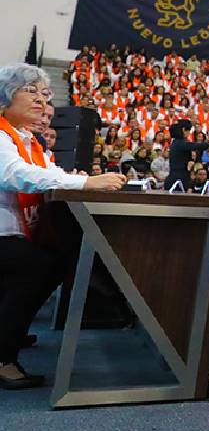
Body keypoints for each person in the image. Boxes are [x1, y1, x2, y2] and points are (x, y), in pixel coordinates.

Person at [0, 64, 125, 389]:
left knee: (50, 260)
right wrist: (85, 184)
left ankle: (10, 330)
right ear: (4, 99)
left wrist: (81, 180)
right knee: (41, 265)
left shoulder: (28, 140)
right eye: (31, 92)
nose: (41, 102)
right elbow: (16, 174)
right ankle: (3, 355)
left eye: (44, 94)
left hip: (11, 232)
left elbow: (48, 171)